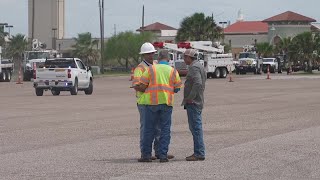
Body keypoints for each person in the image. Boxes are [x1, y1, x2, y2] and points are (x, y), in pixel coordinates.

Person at [136, 50, 182, 163]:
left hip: (151, 103)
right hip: (166, 103)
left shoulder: (150, 69)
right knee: (165, 130)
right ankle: (163, 155)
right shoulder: (173, 71)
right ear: (168, 59)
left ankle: (146, 156)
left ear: (158, 58)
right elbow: (177, 88)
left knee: (148, 129)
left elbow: (142, 85)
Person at [132, 42, 158, 161]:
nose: (150, 55)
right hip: (144, 102)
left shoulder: (157, 65)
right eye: (148, 54)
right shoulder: (140, 68)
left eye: (151, 53)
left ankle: (159, 152)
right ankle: (145, 153)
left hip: (157, 101)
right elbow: (137, 85)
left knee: (158, 128)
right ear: (143, 55)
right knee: (146, 128)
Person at [181, 49, 206, 161]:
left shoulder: (194, 67)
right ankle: (199, 152)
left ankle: (199, 153)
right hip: (197, 101)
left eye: (185, 56)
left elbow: (198, 83)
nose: (183, 59)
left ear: (189, 57)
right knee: (196, 128)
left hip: (194, 102)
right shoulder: (199, 65)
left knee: (195, 128)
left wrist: (190, 97)